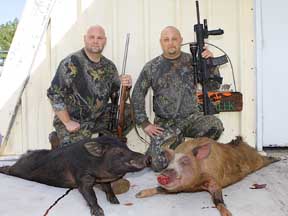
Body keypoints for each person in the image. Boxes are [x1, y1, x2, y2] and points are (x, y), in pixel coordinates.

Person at [47, 25, 133, 194]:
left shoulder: (109, 66)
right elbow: (54, 94)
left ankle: (106, 153)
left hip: (98, 117)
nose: (96, 41)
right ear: (85, 39)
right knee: (76, 162)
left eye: (99, 38)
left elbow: (118, 93)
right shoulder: (71, 63)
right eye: (92, 37)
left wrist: (125, 84)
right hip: (74, 121)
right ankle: (59, 139)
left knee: (129, 112)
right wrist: (67, 121)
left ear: (105, 41)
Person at [132, 26, 224, 172]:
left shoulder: (193, 61)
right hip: (166, 125)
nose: (171, 43)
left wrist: (210, 64)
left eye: (174, 39)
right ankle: (171, 149)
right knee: (158, 164)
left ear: (181, 40)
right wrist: (145, 124)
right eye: (166, 40)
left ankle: (190, 154)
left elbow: (213, 86)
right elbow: (137, 94)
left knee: (215, 125)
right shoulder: (152, 67)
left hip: (192, 119)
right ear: (161, 42)